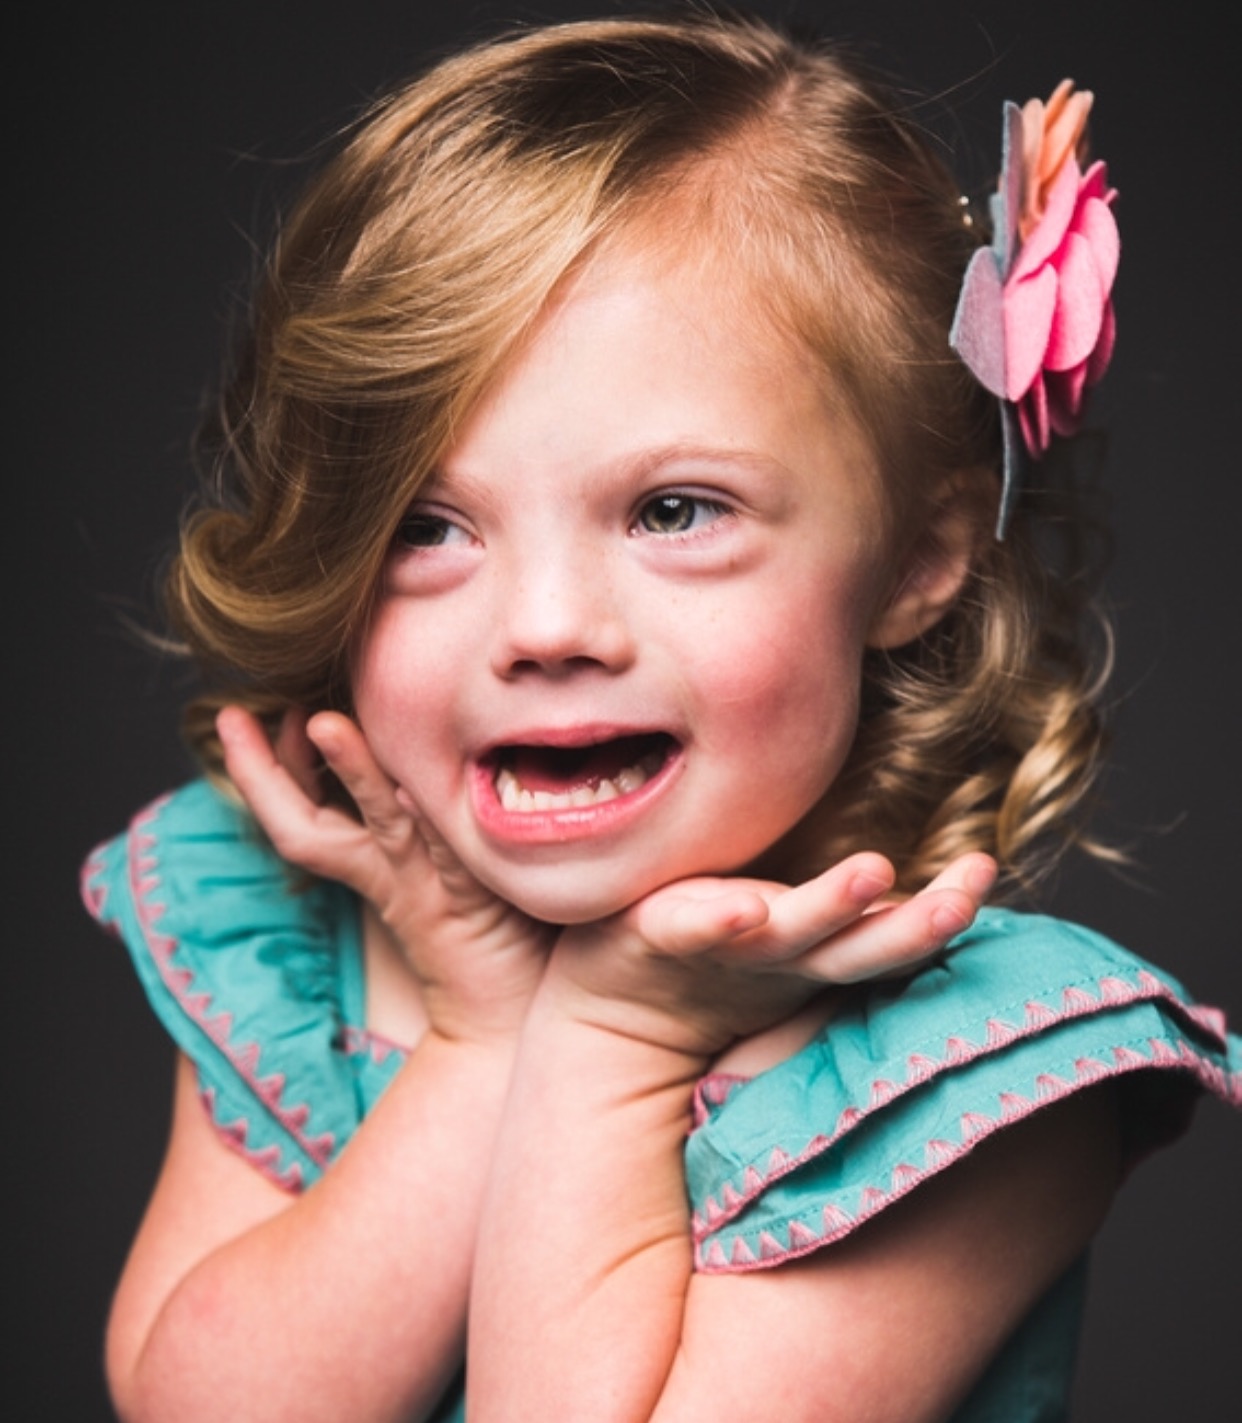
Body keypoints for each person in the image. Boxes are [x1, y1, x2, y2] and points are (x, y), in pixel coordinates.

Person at [80, 10, 1240, 1421]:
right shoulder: (305, 936)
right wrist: (479, 1037)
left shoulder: (971, 1068)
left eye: (673, 510)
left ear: (920, 561)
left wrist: (609, 1041)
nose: (545, 627)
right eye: (429, 525)